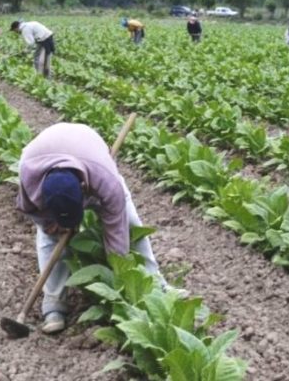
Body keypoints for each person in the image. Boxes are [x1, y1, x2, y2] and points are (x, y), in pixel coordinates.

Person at [16, 123, 180, 334]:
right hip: (46, 155)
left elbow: (116, 230)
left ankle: (157, 286)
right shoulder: (28, 174)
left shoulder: (105, 179)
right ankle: (53, 304)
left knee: (131, 223)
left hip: (89, 154)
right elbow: (28, 209)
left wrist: (119, 275)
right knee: (49, 238)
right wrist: (50, 224)